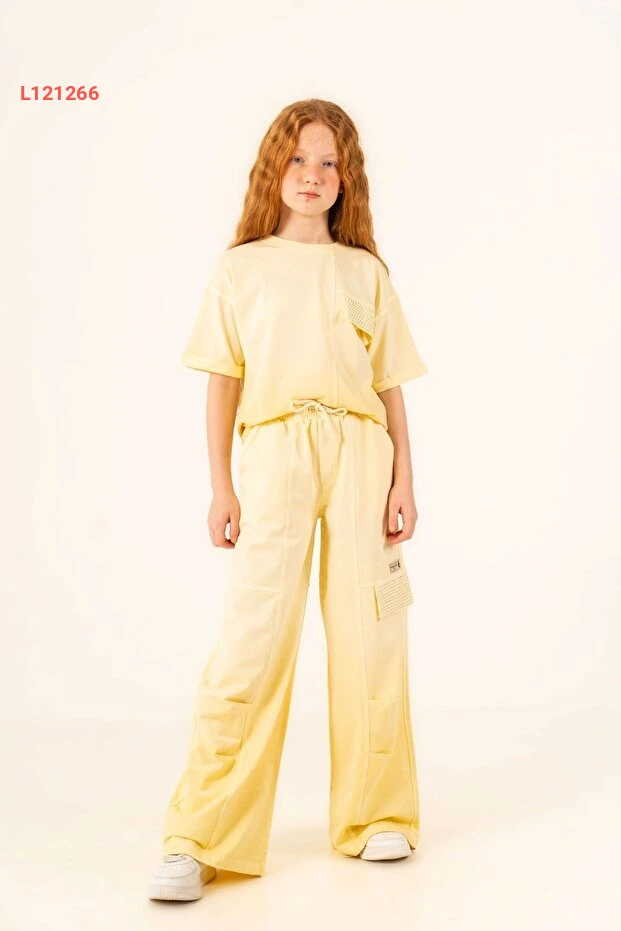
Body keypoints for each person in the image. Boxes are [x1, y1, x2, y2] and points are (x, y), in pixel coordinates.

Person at [148, 98, 428, 902]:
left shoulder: (365, 271)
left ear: (347, 179)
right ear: (274, 168)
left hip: (362, 452)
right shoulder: (240, 268)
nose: (312, 175)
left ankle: (377, 814)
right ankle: (201, 833)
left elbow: (388, 384)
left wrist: (404, 477)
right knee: (252, 636)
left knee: (372, 630)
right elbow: (223, 382)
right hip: (272, 451)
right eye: (298, 159)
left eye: (329, 163)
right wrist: (221, 485)